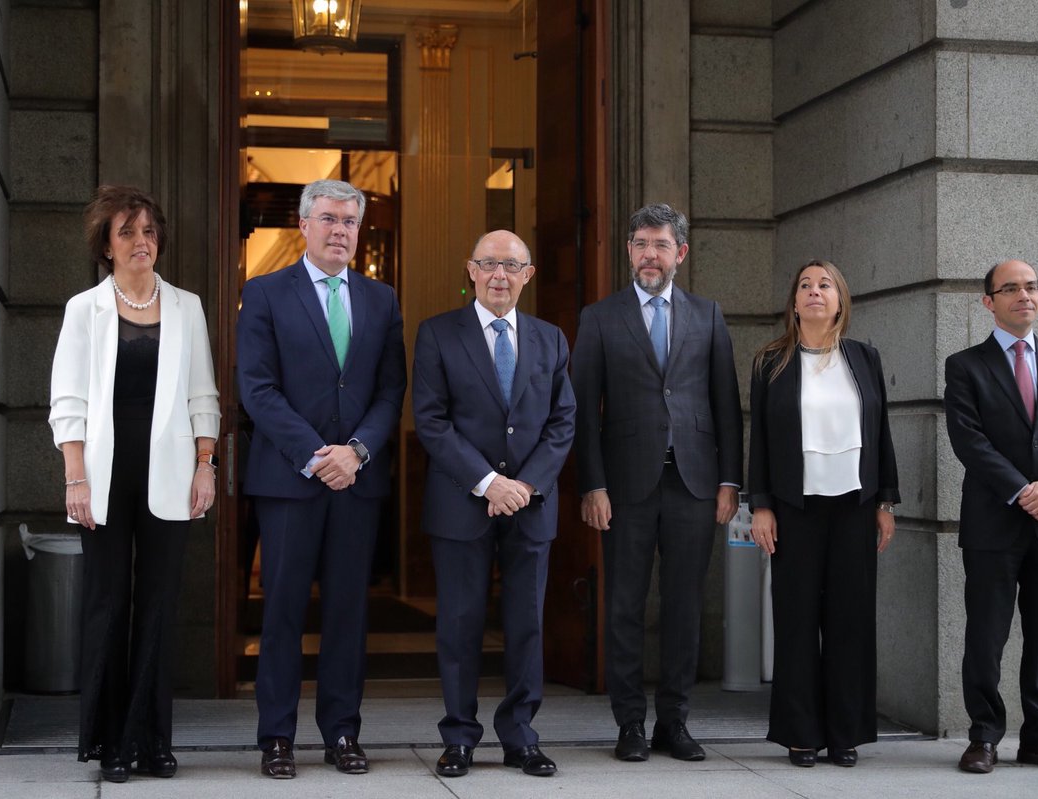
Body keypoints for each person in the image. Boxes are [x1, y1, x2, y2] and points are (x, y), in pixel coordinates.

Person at [236, 179, 406, 779]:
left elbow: (391, 391)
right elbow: (256, 388)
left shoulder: (382, 299)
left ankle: (341, 733)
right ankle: (277, 737)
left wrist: (355, 452)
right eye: (329, 219)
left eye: (350, 222)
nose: (340, 231)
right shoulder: (263, 294)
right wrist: (315, 453)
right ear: (303, 225)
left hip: (358, 481)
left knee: (347, 613)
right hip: (288, 480)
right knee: (281, 611)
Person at [50, 185, 220, 783]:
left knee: (158, 607)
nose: (141, 241)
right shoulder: (84, 310)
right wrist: (75, 478)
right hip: (101, 478)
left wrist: (206, 465)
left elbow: (204, 393)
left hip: (170, 477)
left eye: (149, 231)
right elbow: (67, 401)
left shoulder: (186, 306)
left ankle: (152, 740)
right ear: (106, 244)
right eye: (127, 232)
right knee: (106, 605)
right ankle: (110, 743)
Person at [573, 203, 742, 763]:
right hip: (623, 487)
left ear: (680, 254)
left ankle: (674, 722)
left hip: (695, 483)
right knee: (623, 606)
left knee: (684, 606)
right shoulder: (599, 317)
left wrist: (729, 482)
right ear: (628, 249)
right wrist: (591, 485)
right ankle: (629, 724)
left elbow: (725, 405)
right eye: (641, 242)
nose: (650, 253)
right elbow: (583, 412)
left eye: (661, 244)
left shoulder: (708, 315)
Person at [412, 230, 576, 779]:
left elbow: (562, 421)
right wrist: (487, 481)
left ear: (528, 274)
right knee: (459, 624)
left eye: (511, 265)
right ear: (471, 270)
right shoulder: (437, 334)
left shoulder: (551, 338)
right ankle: (458, 737)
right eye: (488, 264)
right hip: (463, 502)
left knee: (527, 623)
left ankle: (520, 736)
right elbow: (432, 422)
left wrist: (525, 486)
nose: (499, 275)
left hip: (530, 504)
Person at [945, 259, 1038, 775]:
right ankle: (984, 736)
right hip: (994, 522)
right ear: (988, 301)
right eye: (1010, 289)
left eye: (1031, 287)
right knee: (986, 636)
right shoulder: (965, 366)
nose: (1024, 296)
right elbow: (969, 440)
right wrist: (1021, 489)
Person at [746, 259, 899, 768]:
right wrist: (760, 505)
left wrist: (885, 502)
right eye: (806, 286)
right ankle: (800, 733)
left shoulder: (865, 358)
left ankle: (845, 732)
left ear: (840, 301)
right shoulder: (771, 362)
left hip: (855, 505)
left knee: (850, 620)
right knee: (796, 620)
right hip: (794, 507)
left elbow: (882, 433)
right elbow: (761, 442)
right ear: (794, 302)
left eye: (825, 285)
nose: (815, 292)